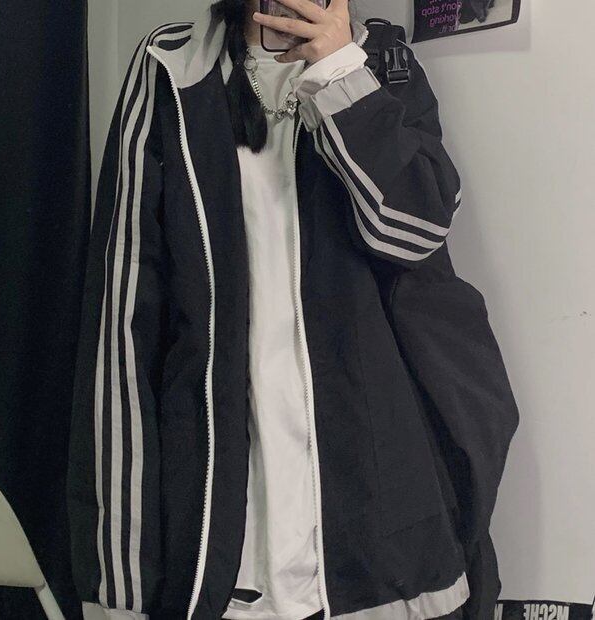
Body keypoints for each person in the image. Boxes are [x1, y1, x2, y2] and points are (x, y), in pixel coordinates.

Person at [67, 0, 519, 618]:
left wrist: (338, 71)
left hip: (376, 510)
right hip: (224, 511)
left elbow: (414, 231)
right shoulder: (173, 66)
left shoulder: (382, 62)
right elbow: (123, 310)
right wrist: (120, 578)